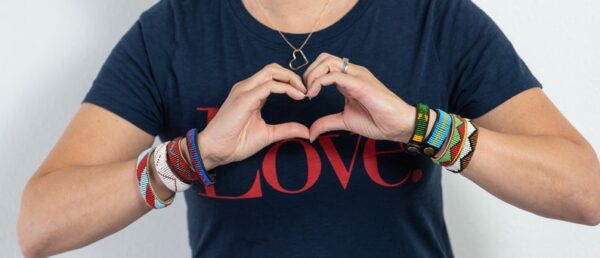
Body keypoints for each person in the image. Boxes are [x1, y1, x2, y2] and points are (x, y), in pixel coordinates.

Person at [16, 0, 600, 257]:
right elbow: (40, 227)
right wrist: (193, 156)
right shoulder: (169, 33)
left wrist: (422, 127)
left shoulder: (435, 18)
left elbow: (584, 191)